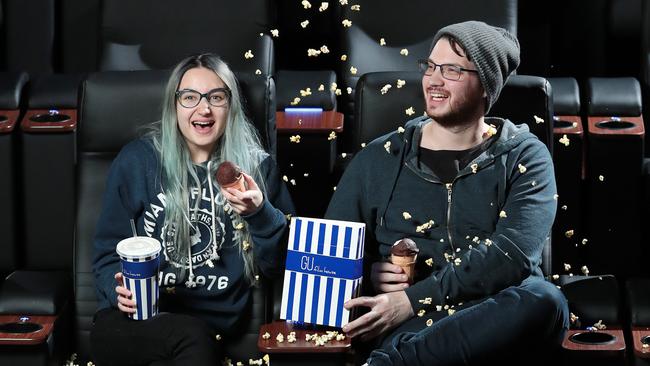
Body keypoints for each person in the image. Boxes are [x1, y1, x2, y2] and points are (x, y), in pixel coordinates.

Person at [326, 21, 569, 365]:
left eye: (452, 70)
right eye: (431, 66)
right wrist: (368, 274)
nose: (433, 80)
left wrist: (411, 299)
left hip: (497, 316)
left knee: (546, 300)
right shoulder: (378, 158)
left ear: (486, 84)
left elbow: (511, 256)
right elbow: (329, 255)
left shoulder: (525, 156)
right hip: (416, 330)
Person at [90, 53, 295, 365]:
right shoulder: (138, 161)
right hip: (138, 325)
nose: (204, 108)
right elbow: (106, 251)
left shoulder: (257, 169)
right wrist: (116, 286)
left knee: (192, 338)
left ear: (231, 106)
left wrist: (259, 213)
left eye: (216, 97)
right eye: (189, 97)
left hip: (210, 332)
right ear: (174, 106)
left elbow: (278, 268)